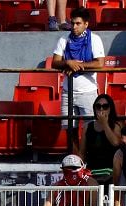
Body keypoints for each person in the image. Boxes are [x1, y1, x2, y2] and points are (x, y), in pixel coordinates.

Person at [51, 8, 105, 137]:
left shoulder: (95, 39)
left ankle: (87, 157)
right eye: (72, 23)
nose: (74, 27)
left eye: (78, 23)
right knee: (70, 132)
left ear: (86, 24)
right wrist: (68, 63)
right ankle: (74, 157)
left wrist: (77, 65)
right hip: (67, 92)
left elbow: (100, 63)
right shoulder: (63, 39)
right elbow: (55, 62)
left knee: (91, 131)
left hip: (88, 92)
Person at [79, 93, 122, 188]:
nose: (101, 109)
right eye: (98, 106)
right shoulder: (87, 127)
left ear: (110, 109)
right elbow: (82, 152)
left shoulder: (116, 125)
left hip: (111, 171)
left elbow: (115, 143)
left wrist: (105, 124)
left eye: (105, 106)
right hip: (92, 171)